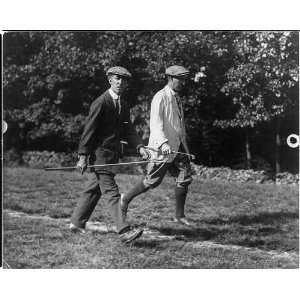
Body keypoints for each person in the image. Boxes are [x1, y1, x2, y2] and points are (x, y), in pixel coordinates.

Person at [70, 66, 149, 243]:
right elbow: (89, 131)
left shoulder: (124, 104)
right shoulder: (101, 102)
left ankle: (76, 223)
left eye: (124, 80)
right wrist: (83, 156)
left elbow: (129, 129)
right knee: (112, 193)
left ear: (127, 83)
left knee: (93, 189)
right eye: (117, 78)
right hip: (99, 156)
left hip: (112, 156)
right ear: (110, 80)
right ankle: (124, 231)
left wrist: (140, 148)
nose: (120, 82)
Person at [121, 65, 194, 226]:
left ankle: (179, 216)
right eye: (179, 79)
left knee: (185, 176)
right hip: (163, 147)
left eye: (184, 79)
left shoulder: (177, 98)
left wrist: (185, 147)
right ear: (170, 78)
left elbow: (179, 126)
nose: (183, 82)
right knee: (152, 181)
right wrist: (163, 143)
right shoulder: (160, 97)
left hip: (178, 146)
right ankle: (125, 199)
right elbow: (155, 124)